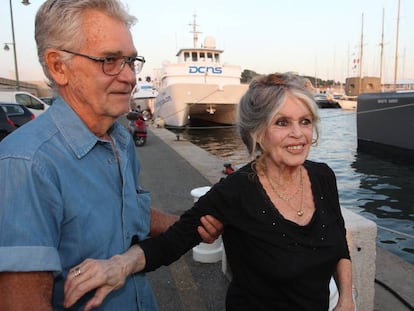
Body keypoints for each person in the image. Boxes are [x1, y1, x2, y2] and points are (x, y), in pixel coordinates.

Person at [64, 72, 355, 311]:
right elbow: (171, 243)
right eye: (282, 122)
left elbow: (338, 239)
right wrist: (119, 265)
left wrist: (346, 299)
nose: (298, 134)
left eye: (305, 121)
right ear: (258, 131)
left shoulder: (322, 177)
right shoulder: (236, 191)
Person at [0, 0, 222, 310]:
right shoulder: (27, 164)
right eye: (109, 60)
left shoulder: (120, 139)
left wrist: (188, 225)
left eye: (131, 61)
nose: (130, 77)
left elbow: (128, 213)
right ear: (58, 67)